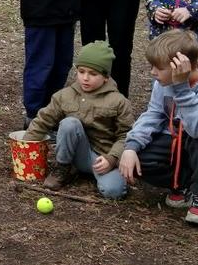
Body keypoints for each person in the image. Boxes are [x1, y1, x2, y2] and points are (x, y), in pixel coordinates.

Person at [118, 29, 198, 227]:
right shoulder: (162, 81)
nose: (153, 72)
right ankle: (183, 185)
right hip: (178, 141)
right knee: (136, 159)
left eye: (158, 68)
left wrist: (181, 88)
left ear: (180, 67)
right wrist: (131, 146)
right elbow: (154, 114)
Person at [28, 41, 132, 199]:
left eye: (93, 73)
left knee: (114, 192)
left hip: (103, 158)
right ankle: (64, 168)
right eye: (81, 71)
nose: (85, 78)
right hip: (77, 153)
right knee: (69, 124)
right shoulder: (66, 94)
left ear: (105, 77)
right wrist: (25, 145)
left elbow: (127, 135)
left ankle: (92, 173)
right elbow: (43, 120)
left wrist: (112, 159)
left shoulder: (119, 101)